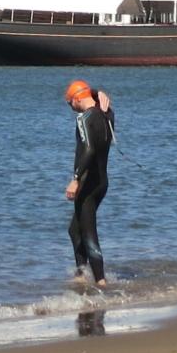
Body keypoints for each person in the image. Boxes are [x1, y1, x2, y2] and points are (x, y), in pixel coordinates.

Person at [63, 78, 115, 286]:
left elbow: (89, 149)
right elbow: (105, 102)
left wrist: (76, 179)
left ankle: (101, 281)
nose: (70, 108)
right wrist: (96, 91)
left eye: (69, 103)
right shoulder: (107, 114)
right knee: (74, 230)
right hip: (102, 182)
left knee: (88, 232)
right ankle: (80, 274)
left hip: (88, 182)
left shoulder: (84, 119)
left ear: (76, 100)